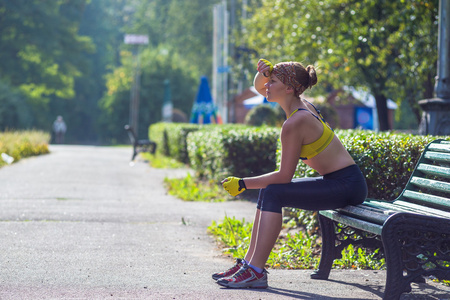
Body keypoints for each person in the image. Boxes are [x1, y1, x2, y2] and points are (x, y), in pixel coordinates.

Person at [213, 59, 368, 289]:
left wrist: (244, 183)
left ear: (288, 89)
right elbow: (259, 86)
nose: (266, 85)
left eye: (272, 81)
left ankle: (255, 270)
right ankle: (249, 264)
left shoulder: (296, 122)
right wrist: (264, 72)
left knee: (274, 192)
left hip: (346, 185)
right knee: (270, 191)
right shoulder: (300, 104)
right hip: (342, 181)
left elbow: (284, 176)